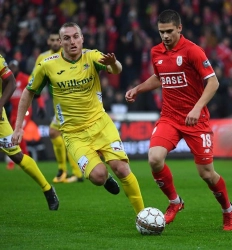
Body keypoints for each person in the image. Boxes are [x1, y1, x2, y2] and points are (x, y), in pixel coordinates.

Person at [12, 22, 144, 215]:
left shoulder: (92, 56)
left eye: (76, 37)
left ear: (82, 38)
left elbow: (117, 70)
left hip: (101, 124)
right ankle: (105, 179)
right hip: (74, 134)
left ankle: (142, 215)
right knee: (98, 176)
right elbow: (28, 92)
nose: (72, 41)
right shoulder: (47, 65)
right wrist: (18, 127)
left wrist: (114, 63)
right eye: (66, 38)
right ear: (60, 42)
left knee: (122, 169)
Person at [125, 9, 232, 230]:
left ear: (179, 28)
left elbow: (213, 83)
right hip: (169, 117)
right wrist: (138, 88)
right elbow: (159, 77)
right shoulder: (156, 52)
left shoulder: (193, 51)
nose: (165, 36)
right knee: (154, 158)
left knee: (206, 174)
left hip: (196, 120)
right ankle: (175, 203)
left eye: (168, 31)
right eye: (161, 32)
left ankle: (228, 210)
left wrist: (196, 109)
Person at [0, 54, 59, 210]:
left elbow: (26, 87)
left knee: (17, 154)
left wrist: (39, 105)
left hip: (16, 113)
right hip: (13, 114)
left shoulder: (23, 77)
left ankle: (47, 188)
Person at [34, 29, 83, 183]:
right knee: (56, 133)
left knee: (63, 134)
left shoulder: (68, 55)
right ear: (49, 42)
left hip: (70, 102)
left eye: (57, 39)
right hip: (58, 104)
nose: (55, 42)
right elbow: (34, 82)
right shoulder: (43, 58)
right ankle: (67, 171)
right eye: (52, 40)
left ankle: (73, 172)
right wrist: (40, 104)